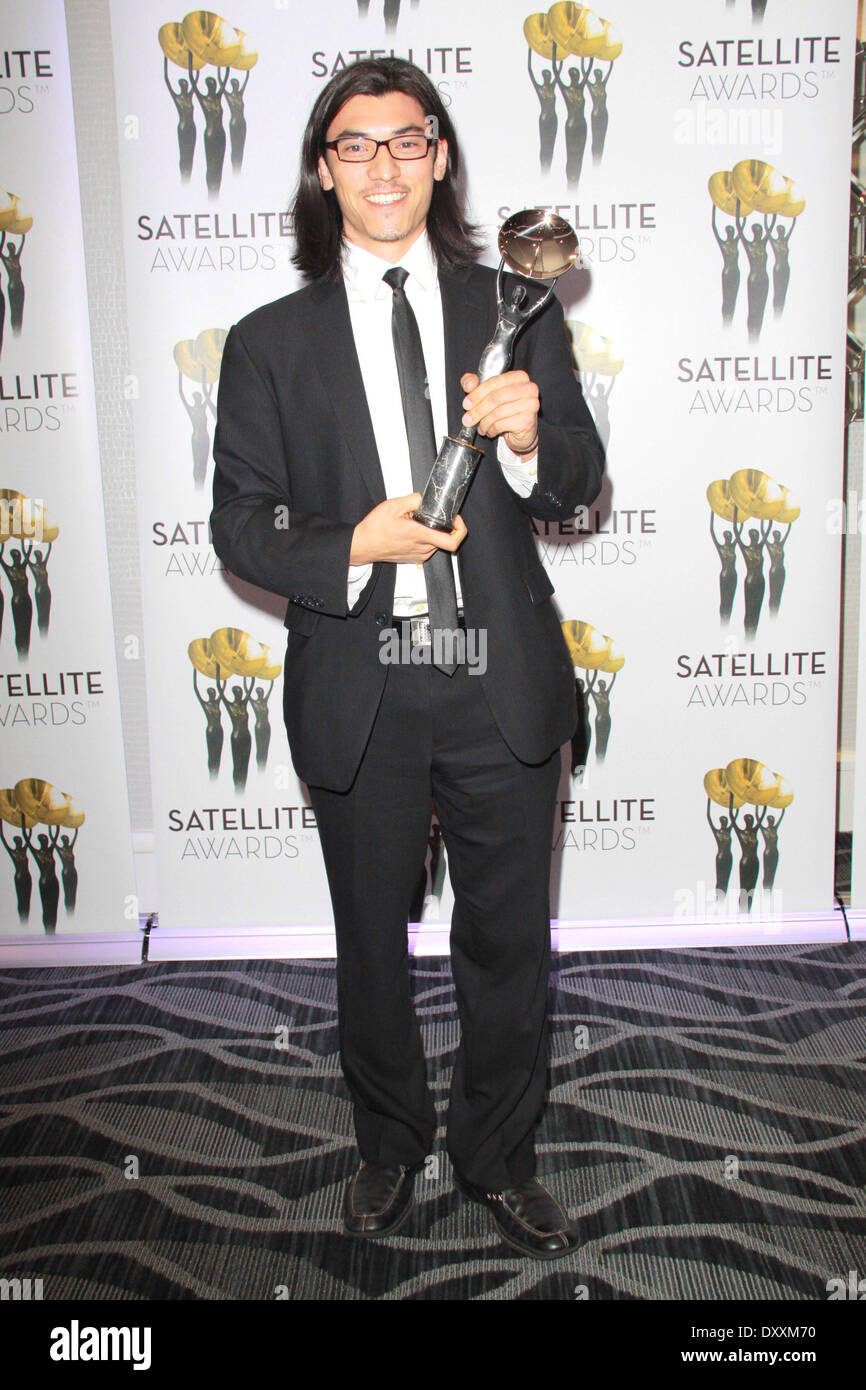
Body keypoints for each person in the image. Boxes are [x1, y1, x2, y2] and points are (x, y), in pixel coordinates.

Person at [211, 58, 604, 1259]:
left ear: (437, 157)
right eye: (353, 145)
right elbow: (241, 521)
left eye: (403, 140)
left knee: (507, 942)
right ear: (323, 174)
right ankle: (388, 1143)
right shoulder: (267, 342)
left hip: (499, 681)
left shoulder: (515, 306)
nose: (381, 164)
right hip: (360, 681)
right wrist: (353, 544)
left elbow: (580, 484)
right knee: (367, 941)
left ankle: (495, 1155)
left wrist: (535, 434)